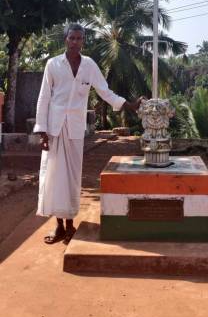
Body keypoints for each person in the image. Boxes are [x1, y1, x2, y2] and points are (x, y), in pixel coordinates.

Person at [34, 22, 143, 244]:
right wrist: (42, 131)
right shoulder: (53, 64)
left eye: (79, 38)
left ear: (83, 41)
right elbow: (44, 98)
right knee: (54, 178)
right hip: (54, 129)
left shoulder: (89, 66)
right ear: (65, 39)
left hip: (74, 129)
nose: (75, 42)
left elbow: (105, 92)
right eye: (71, 38)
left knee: (72, 179)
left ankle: (71, 226)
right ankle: (58, 227)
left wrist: (130, 105)